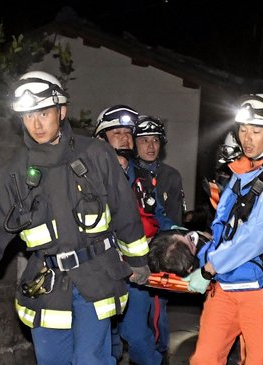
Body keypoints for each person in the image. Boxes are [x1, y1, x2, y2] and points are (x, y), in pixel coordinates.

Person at [0, 71, 150, 365]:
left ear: (62, 111)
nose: (36, 123)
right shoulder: (14, 174)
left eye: (44, 113)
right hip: (47, 287)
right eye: (28, 115)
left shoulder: (96, 154)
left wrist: (137, 260)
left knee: (90, 358)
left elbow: (124, 210)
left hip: (95, 277)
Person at [186, 93, 263, 364]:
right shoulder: (240, 178)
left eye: (257, 131)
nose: (247, 137)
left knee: (258, 360)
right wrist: (202, 253)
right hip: (225, 287)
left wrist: (208, 269)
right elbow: (222, 229)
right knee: (204, 359)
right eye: (243, 129)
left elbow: (254, 240)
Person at [93, 104, 175, 365]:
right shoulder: (88, 176)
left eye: (129, 132)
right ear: (101, 138)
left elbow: (160, 216)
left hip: (136, 268)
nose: (125, 138)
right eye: (117, 132)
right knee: (105, 337)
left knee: (137, 333)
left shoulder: (142, 178)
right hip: (100, 269)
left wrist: (181, 237)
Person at [133, 114, 185, 360]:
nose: (150, 146)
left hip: (158, 253)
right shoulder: (126, 171)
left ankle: (159, 353)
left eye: (155, 140)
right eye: (144, 140)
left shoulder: (171, 175)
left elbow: (172, 218)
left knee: (156, 309)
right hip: (127, 252)